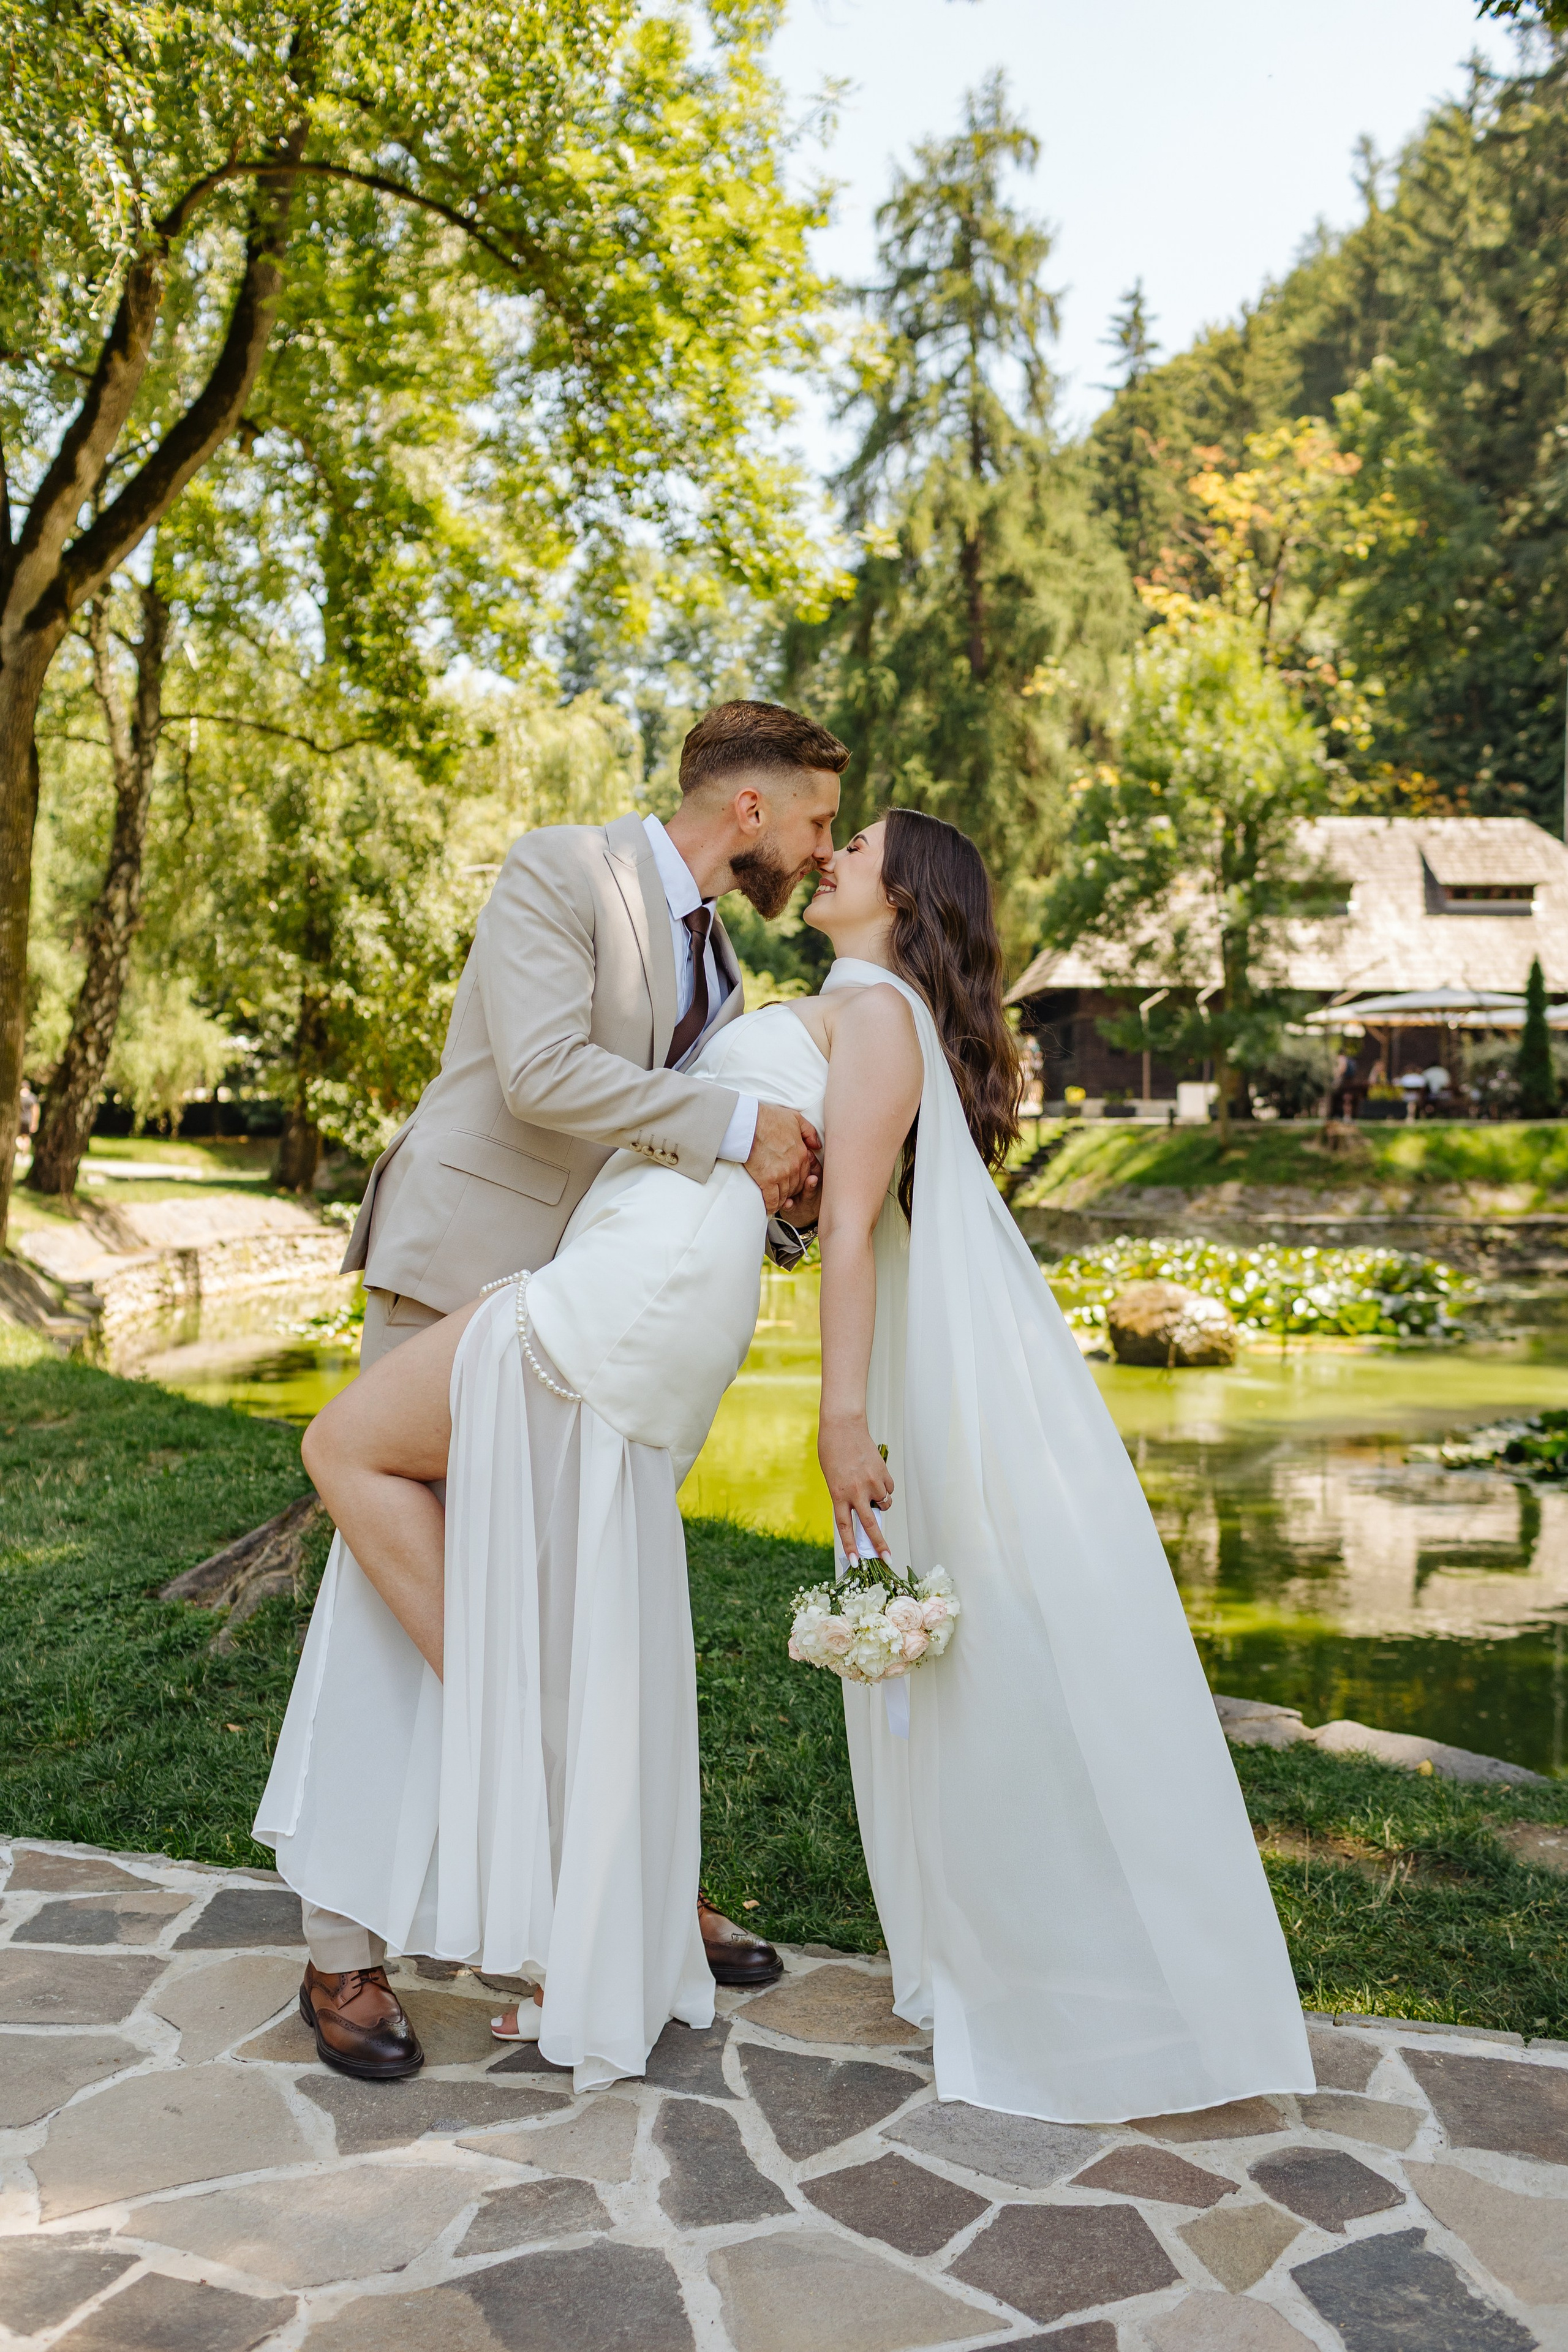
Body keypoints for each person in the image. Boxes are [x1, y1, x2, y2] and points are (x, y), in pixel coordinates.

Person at [260, 805, 1311, 2120]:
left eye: (854, 846)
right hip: (624, 1271)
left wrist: (837, 1420)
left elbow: (853, 1233)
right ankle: (576, 1849)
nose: (830, 854)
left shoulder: (876, 1018)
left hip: (635, 1288)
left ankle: (531, 1764)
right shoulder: (830, 1000)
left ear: (905, 900)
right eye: (831, 825)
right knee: (445, 1510)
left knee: (342, 1443)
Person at [257, 699, 846, 2079]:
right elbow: (540, 1075)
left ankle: (619, 1896)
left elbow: (668, 1167)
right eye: (817, 820)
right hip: (456, 1271)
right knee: (392, 1611)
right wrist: (736, 1127)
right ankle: (340, 1954)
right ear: (747, 810)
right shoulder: (559, 870)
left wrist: (779, 1198)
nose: (823, 851)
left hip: (580, 1321)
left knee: (583, 1611)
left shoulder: (724, 977)